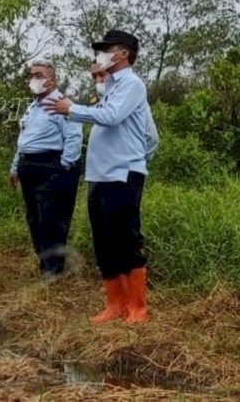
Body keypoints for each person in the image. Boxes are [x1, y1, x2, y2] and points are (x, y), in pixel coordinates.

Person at [44, 30, 158, 325]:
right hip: (99, 174)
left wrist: (72, 109)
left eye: (108, 49)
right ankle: (115, 303)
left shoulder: (132, 84)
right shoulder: (112, 87)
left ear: (124, 54)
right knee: (104, 240)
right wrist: (97, 85)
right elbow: (107, 111)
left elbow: (111, 117)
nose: (102, 55)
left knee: (126, 238)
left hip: (123, 173)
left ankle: (137, 307)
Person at [9, 61, 83, 279]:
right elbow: (24, 140)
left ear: (52, 80)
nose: (33, 79)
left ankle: (54, 268)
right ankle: (44, 263)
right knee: (35, 217)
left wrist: (64, 166)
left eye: (38, 75)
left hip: (52, 165)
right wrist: (15, 167)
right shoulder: (32, 107)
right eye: (31, 75)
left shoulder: (62, 104)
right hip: (28, 164)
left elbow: (73, 137)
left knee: (51, 217)